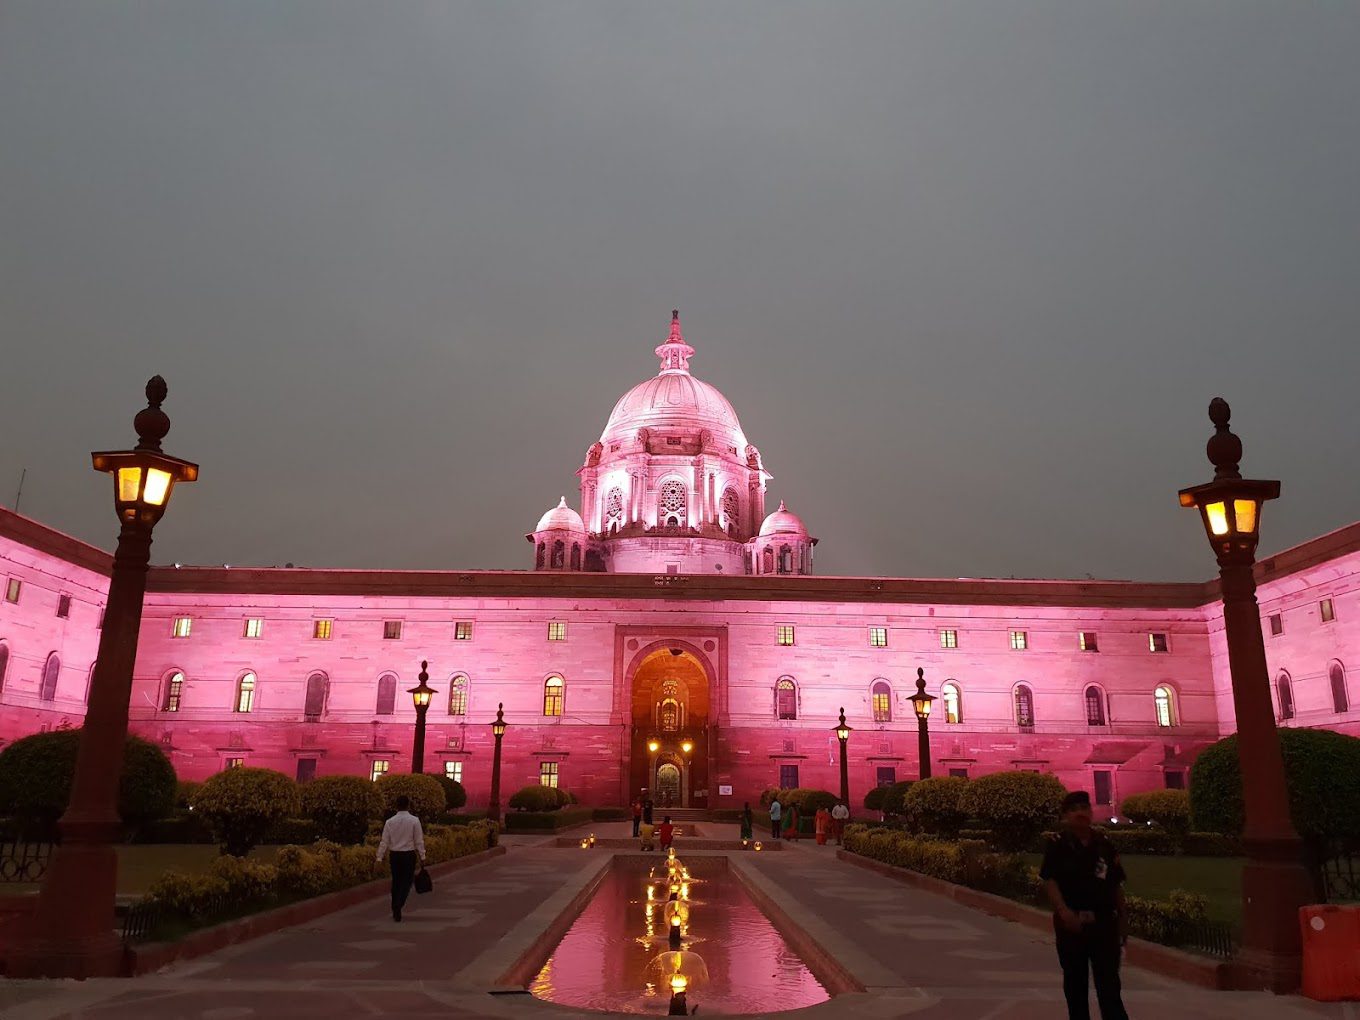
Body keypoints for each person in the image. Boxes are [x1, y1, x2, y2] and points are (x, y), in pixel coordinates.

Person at [1040, 791, 1130, 1020]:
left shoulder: (1104, 846)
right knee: (1075, 985)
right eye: (1073, 810)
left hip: (1103, 925)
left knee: (1109, 985)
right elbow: (1050, 880)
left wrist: (1123, 919)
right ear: (1065, 816)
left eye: (1083, 808)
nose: (1080, 813)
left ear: (1090, 812)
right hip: (1072, 925)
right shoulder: (1057, 845)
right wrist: (1063, 911)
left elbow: (1115, 884)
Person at [376, 794, 426, 922]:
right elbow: (418, 840)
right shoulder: (414, 820)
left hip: (395, 855)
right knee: (407, 881)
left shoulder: (390, 822)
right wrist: (422, 856)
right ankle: (399, 904)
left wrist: (379, 858)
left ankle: (395, 906)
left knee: (396, 881)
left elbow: (384, 841)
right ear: (408, 805)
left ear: (396, 806)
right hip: (408, 855)